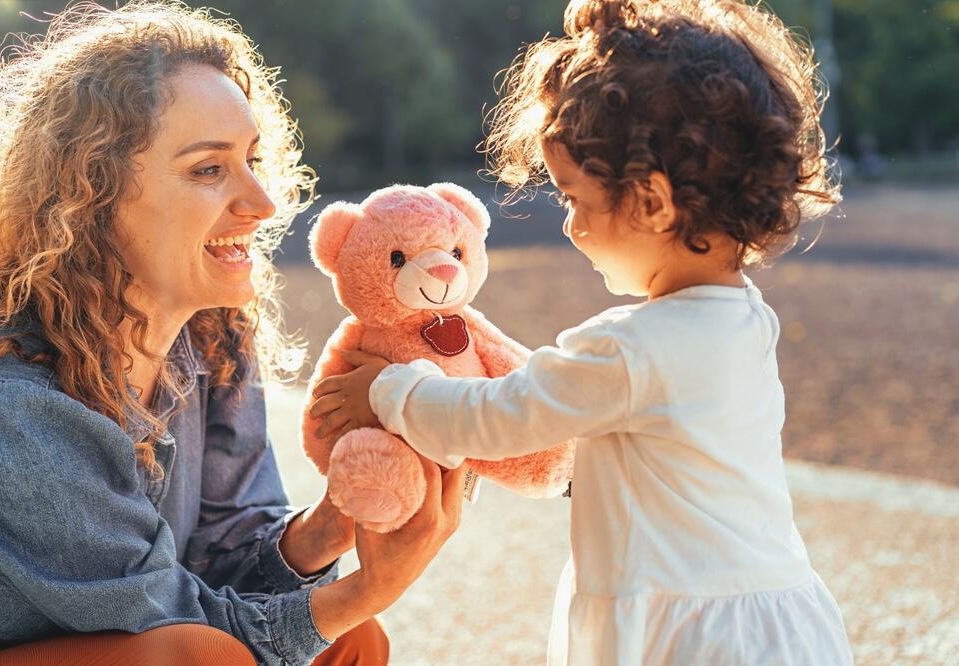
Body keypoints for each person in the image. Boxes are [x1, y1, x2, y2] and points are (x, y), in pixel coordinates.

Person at [310, 1, 854, 663]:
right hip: (775, 619)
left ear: (651, 201)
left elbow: (500, 416)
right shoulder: (746, 319)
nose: (569, 225)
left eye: (575, 199)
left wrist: (391, 390)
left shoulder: (627, 350)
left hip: (678, 633)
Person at [0, 2, 463, 664]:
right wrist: (369, 589)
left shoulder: (211, 343)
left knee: (350, 644)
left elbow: (225, 560)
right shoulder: (12, 406)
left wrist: (327, 530)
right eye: (209, 168)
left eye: (254, 159)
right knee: (212, 650)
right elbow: (168, 621)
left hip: (162, 638)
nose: (263, 202)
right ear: (92, 195)